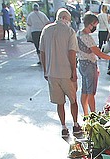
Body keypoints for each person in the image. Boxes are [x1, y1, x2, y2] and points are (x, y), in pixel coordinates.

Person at [40, 8, 81, 138]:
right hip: (66, 73)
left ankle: (63, 127)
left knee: (59, 102)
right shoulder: (69, 31)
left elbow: (42, 52)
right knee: (73, 101)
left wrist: (45, 70)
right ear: (66, 19)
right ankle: (75, 125)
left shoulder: (46, 30)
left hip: (52, 73)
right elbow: (72, 53)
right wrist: (74, 71)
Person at [77, 13, 110, 115]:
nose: (95, 27)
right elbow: (100, 54)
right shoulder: (87, 37)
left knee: (84, 90)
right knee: (91, 92)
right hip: (89, 65)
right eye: (95, 25)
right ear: (90, 24)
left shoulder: (79, 34)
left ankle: (86, 114)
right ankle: (93, 115)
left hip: (82, 64)